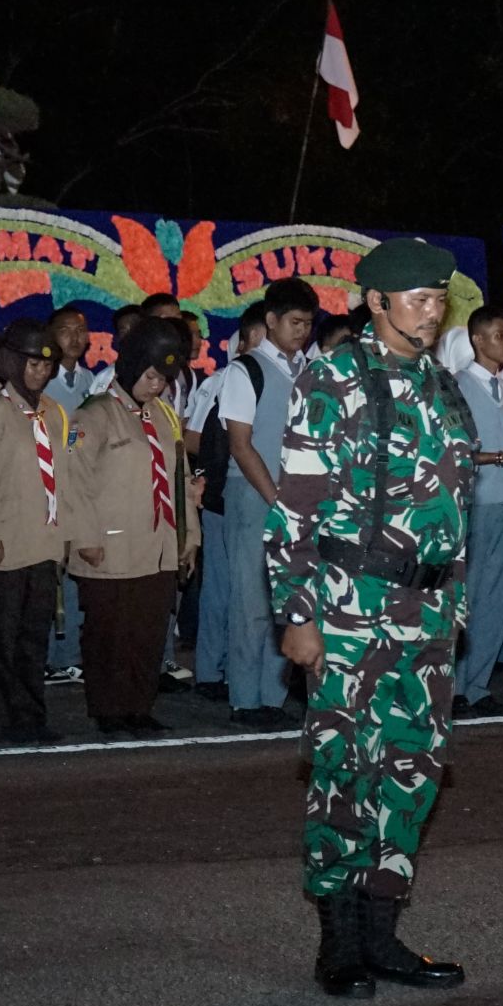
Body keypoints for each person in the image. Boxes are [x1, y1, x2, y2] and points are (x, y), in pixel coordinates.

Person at [266, 237, 472, 999]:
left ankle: (384, 934)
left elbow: (455, 506)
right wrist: (298, 613)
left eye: (439, 298)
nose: (433, 311)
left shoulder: (441, 384)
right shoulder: (334, 377)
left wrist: (454, 604)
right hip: (351, 610)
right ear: (376, 302)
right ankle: (341, 941)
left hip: (428, 614)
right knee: (344, 772)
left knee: (412, 772)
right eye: (419, 299)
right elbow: (294, 510)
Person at [68, 318, 200, 735]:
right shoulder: (95, 414)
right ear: (130, 367)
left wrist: (189, 538)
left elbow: (180, 480)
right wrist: (84, 538)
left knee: (147, 632)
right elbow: (73, 479)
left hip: (157, 546)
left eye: (163, 379)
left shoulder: (164, 416)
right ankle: (108, 708)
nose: (155, 386)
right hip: (110, 546)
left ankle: (138, 706)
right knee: (110, 633)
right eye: (150, 376)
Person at [0, 319, 76, 743]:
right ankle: (2, 716)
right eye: (32, 363)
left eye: (46, 366)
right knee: (2, 636)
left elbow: (63, 476)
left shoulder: (53, 412)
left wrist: (65, 532)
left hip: (43, 541)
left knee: (34, 636)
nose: (39, 372)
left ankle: (31, 714)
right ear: (13, 362)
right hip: (7, 542)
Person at [220, 278, 318, 727]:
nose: (302, 331)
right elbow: (241, 445)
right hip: (256, 493)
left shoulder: (309, 370)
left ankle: (272, 698)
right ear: (271, 320)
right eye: (295, 322)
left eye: (308, 324)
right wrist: (277, 500)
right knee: (251, 599)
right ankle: (245, 699)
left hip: (300, 499)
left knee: (289, 600)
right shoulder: (246, 370)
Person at [448, 307, 503, 717]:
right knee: (468, 594)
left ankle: (478, 685)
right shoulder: (458, 386)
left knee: (496, 596)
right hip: (474, 500)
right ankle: (453, 687)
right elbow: (453, 449)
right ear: (477, 340)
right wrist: (502, 457)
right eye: (500, 335)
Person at [184, 302, 265, 702]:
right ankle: (210, 671)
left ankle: (239, 669)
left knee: (252, 592)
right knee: (221, 588)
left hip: (256, 494)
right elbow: (193, 437)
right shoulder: (223, 380)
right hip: (222, 496)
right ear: (245, 342)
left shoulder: (288, 376)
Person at [41, 306, 94, 688]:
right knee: (50, 574)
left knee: (77, 574)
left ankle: (70, 656)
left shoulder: (92, 382)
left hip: (84, 489)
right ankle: (49, 657)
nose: (75, 338)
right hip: (50, 488)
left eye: (81, 330)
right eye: (66, 330)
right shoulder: (41, 383)